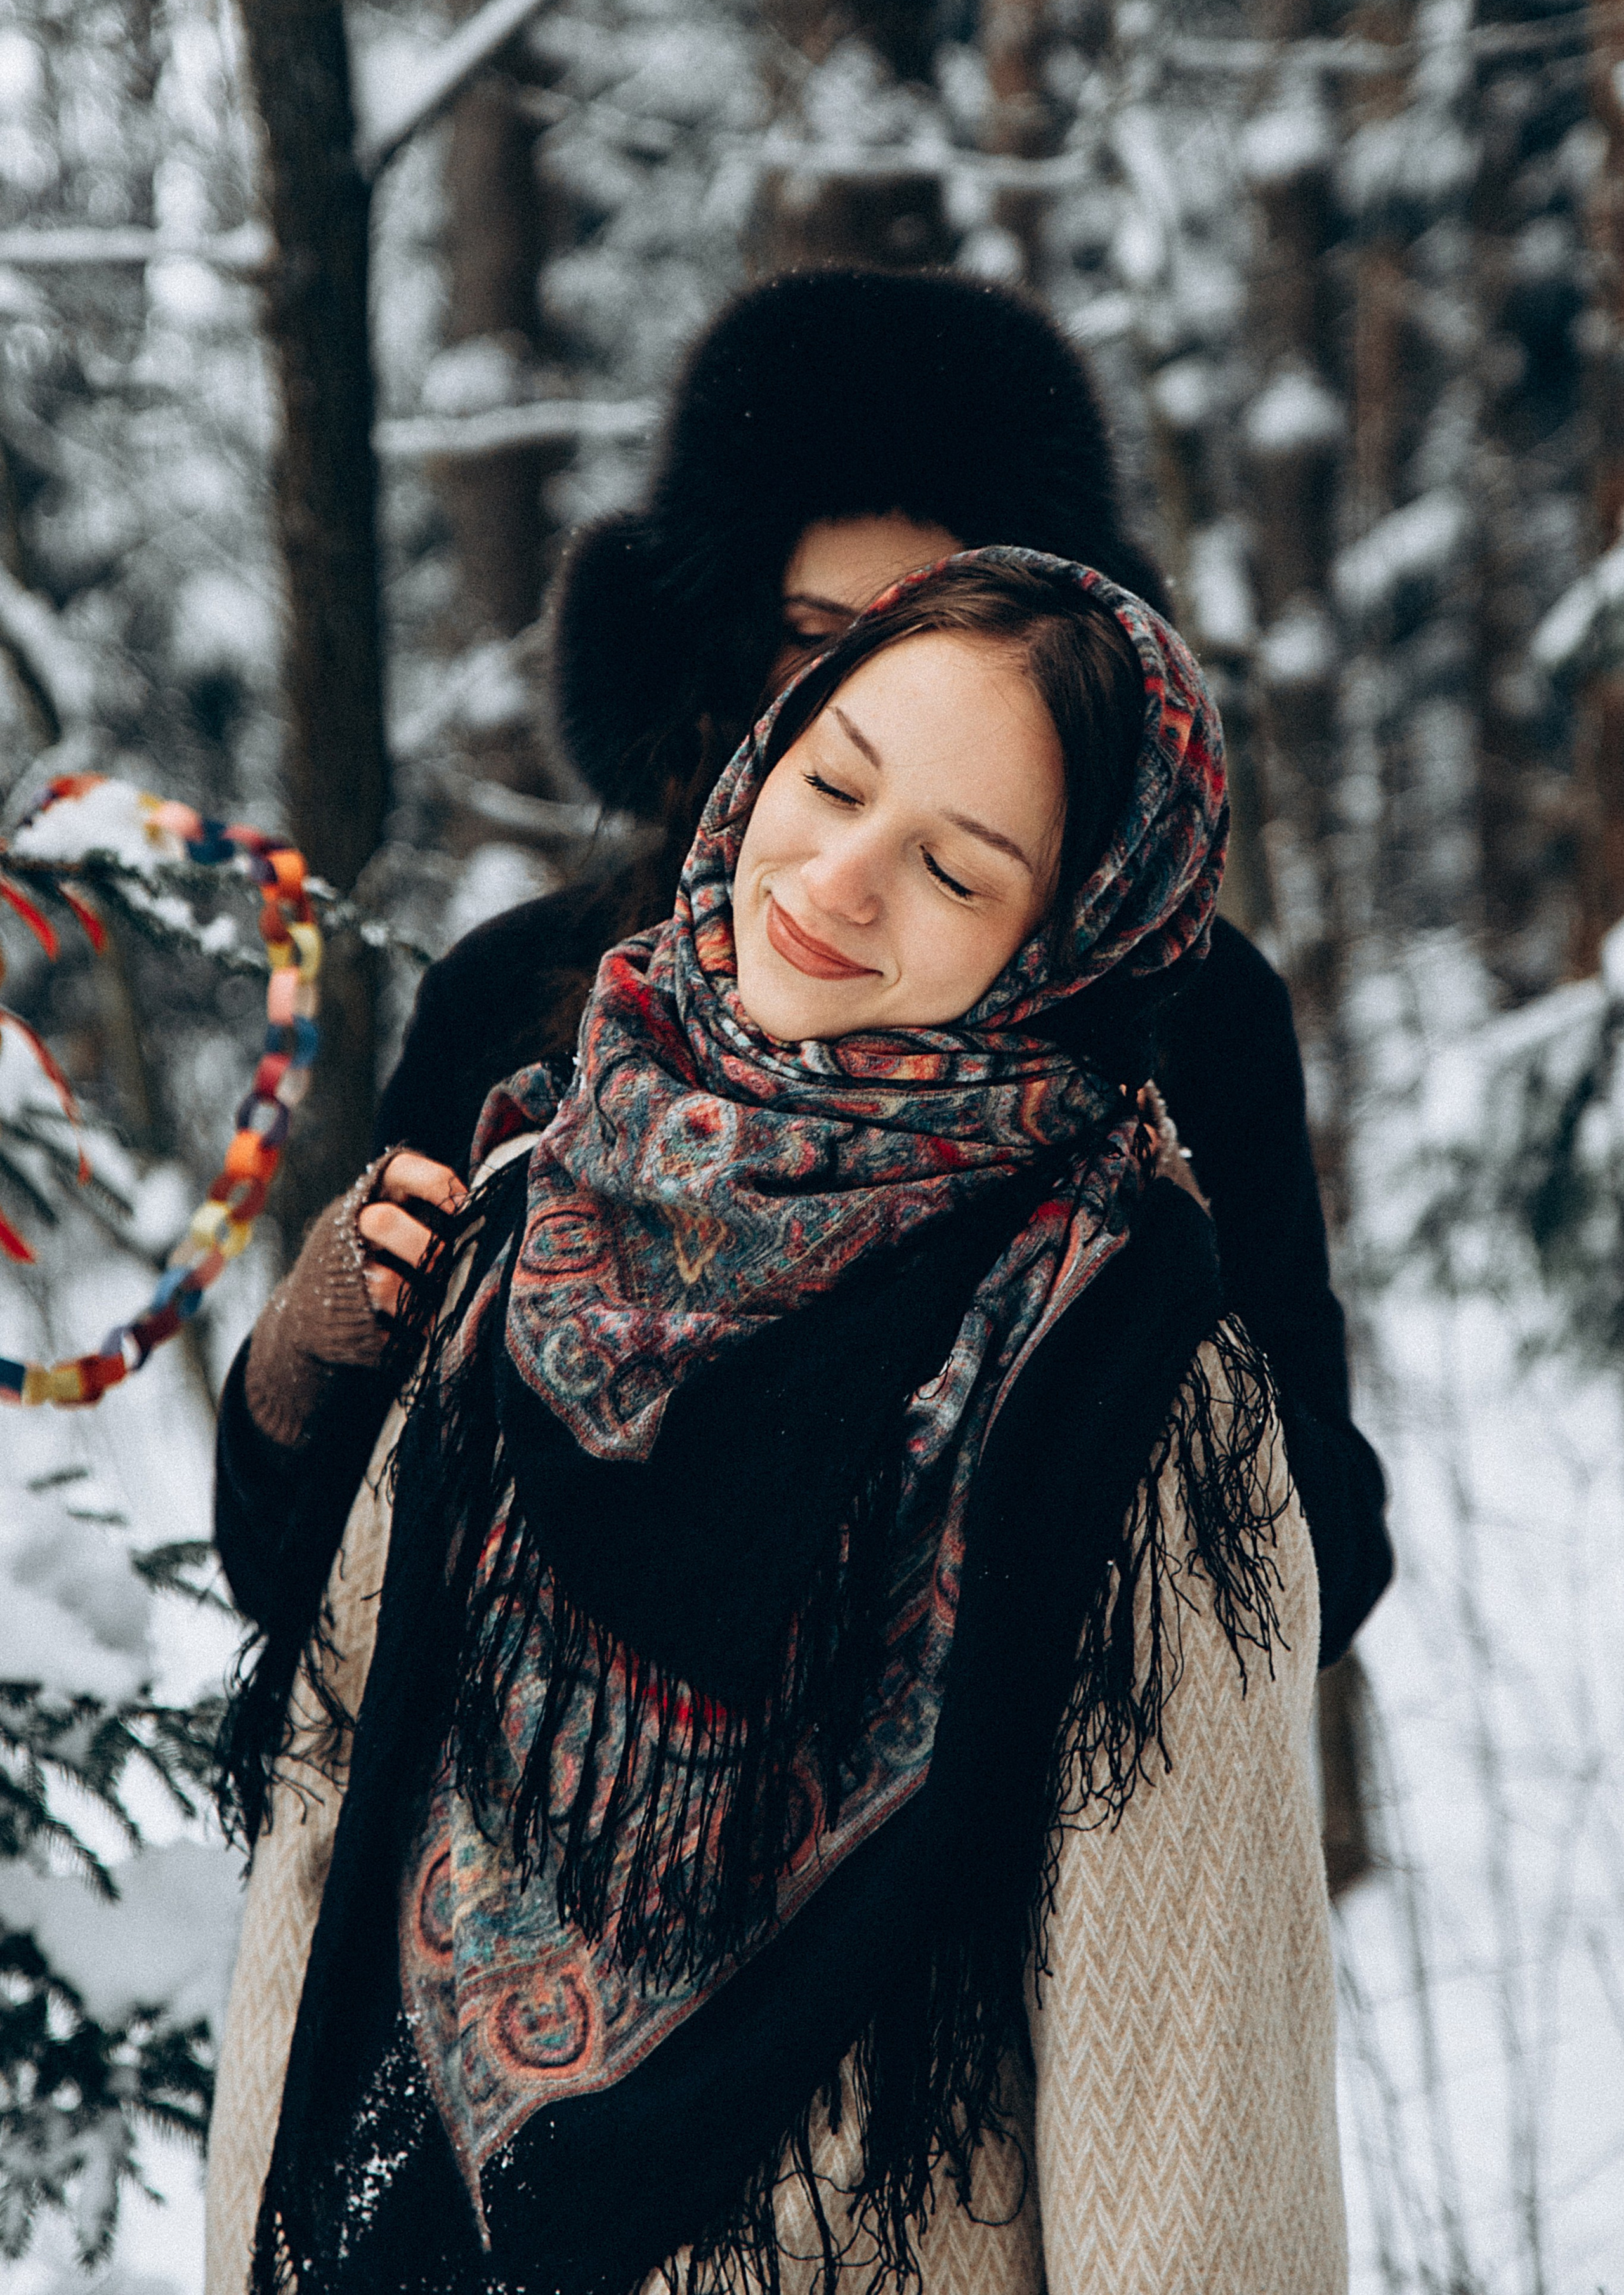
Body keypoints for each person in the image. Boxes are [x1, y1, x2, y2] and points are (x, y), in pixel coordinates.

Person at [207, 552, 1346, 2295]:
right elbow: (319, 1841)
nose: (838, 878)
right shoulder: (529, 1209)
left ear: (1065, 949)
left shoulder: (1129, 1383)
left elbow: (1190, 2103)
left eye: (956, 870)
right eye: (831, 783)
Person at [372, 268, 1391, 1669]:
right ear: (724, 642)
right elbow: (314, 1580)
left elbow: (1323, 1579)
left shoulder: (1185, 1020)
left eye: (929, 639)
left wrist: (1154, 1331)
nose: (862, 694)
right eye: (815, 636)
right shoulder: (514, 997)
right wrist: (319, 1365)